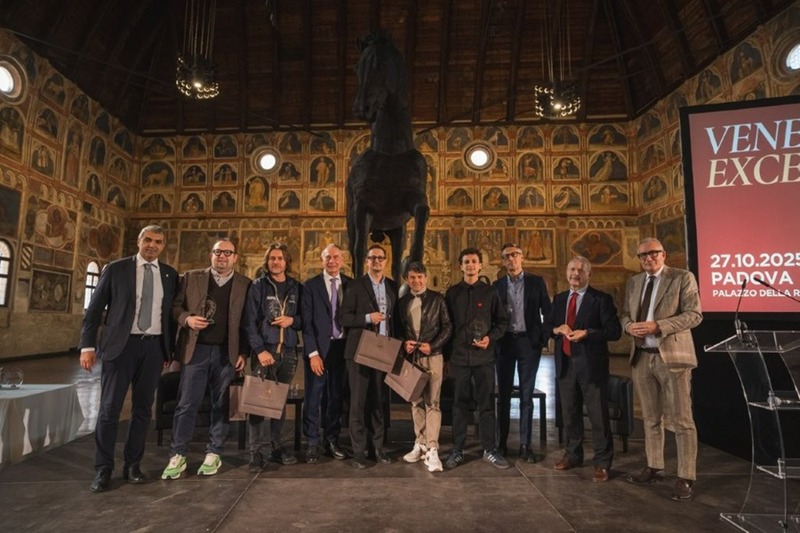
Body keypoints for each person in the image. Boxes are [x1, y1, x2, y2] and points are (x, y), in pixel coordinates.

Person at [79, 225, 178, 492]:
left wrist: (170, 351)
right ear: (138, 241)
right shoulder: (116, 269)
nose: (152, 245)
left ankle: (133, 465)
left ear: (163, 245)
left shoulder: (169, 274)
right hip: (121, 348)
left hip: (154, 348)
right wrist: (86, 346)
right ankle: (103, 469)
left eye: (158, 241)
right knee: (110, 409)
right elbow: (95, 309)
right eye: (148, 240)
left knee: (143, 410)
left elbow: (170, 315)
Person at [161, 239, 251, 479]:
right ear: (211, 254)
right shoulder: (191, 277)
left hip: (226, 353)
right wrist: (187, 319)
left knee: (221, 404)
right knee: (186, 403)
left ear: (235, 257)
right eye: (217, 252)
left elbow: (247, 323)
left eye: (227, 253)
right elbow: (175, 308)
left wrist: (244, 352)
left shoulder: (245, 284)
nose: (222, 256)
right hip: (196, 350)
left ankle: (214, 451)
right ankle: (178, 454)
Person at [621, 237, 703, 501]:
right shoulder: (634, 282)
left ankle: (686, 477)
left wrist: (660, 326)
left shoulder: (682, 278)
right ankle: (655, 466)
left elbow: (694, 314)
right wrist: (628, 327)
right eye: (643, 255)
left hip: (672, 357)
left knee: (681, 420)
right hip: (642, 357)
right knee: (650, 418)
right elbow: (625, 314)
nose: (648, 258)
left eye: (653, 253)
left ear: (664, 254)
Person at [544, 256, 621, 482]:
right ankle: (573, 455)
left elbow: (614, 331)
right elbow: (547, 326)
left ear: (589, 274)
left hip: (591, 367)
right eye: (571, 269)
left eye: (580, 270)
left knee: (598, 416)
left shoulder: (601, 299)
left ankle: (602, 462)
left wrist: (587, 333)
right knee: (570, 414)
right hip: (565, 365)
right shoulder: (559, 299)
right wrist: (557, 329)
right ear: (566, 272)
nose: (575, 273)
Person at [444, 247, 509, 469]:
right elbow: (447, 327)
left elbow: (502, 322)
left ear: (480, 265)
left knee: (487, 404)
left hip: (484, 359)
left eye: (474, 261)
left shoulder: (490, 293)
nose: (470, 265)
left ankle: (490, 449)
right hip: (460, 359)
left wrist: (490, 338)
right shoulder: (452, 293)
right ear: (460, 266)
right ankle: (457, 449)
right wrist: (446, 359)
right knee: (459, 405)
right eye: (466, 262)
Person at [243, 243, 303, 472]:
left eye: (279, 258)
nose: (275, 262)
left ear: (287, 262)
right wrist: (259, 350)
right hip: (265, 351)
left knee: (279, 404)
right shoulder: (258, 286)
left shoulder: (296, 287)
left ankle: (277, 447)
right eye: (272, 258)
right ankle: (255, 452)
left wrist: (292, 322)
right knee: (258, 404)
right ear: (267, 262)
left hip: (288, 352)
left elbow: (303, 319)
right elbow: (249, 322)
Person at [339, 244, 397, 469]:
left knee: (378, 402)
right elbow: (344, 317)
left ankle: (378, 448)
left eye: (380, 258)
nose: (377, 261)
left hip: (382, 351)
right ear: (366, 261)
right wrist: (366, 318)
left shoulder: (391, 286)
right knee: (358, 403)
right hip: (359, 351)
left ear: (385, 261)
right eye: (372, 258)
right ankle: (358, 452)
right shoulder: (355, 286)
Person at [492, 242, 551, 463]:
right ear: (503, 260)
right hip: (505, 343)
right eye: (506, 256)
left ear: (522, 257)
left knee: (527, 396)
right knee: (503, 396)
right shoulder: (497, 286)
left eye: (515, 255)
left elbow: (548, 311)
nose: (511, 259)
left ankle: (526, 445)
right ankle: (501, 443)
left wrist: (542, 339)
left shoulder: (536, 283)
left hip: (528, 343)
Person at [397, 262, 453, 472]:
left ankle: (432, 449)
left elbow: (448, 326)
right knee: (415, 402)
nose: (416, 281)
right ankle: (419, 444)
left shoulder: (438, 300)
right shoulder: (402, 302)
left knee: (433, 402)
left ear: (426, 278)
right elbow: (398, 329)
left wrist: (434, 345)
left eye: (420, 277)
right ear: (407, 279)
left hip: (433, 356)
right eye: (412, 277)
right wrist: (404, 342)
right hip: (412, 358)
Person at [301, 243, 352, 463]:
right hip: (318, 350)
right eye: (327, 257)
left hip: (342, 348)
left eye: (335, 257)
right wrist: (312, 353)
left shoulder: (350, 285)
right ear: (321, 260)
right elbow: (307, 322)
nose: (331, 261)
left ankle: (331, 439)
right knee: (313, 397)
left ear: (342, 260)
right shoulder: (310, 286)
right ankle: (312, 442)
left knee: (336, 398)